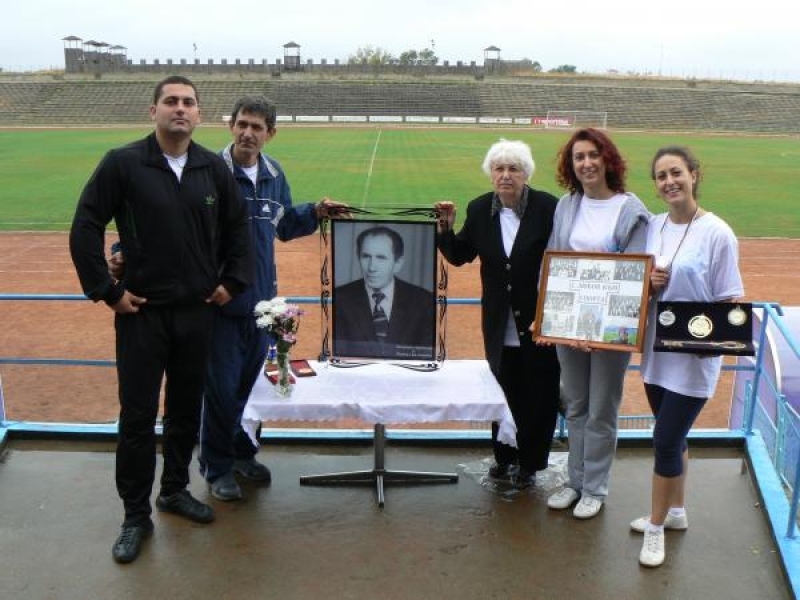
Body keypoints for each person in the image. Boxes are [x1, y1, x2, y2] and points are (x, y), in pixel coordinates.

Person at [109, 95, 347, 504]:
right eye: (242, 124)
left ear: (270, 134)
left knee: (248, 387)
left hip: (262, 306)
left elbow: (284, 225)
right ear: (230, 126)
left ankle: (241, 453)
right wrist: (121, 251)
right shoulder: (208, 170)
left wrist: (317, 212)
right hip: (217, 303)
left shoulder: (274, 174)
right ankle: (216, 467)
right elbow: (170, 222)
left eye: (257, 127)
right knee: (218, 391)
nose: (248, 133)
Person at [69, 75, 254, 564]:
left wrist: (232, 282)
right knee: (136, 417)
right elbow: (86, 224)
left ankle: (173, 490)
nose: (180, 109)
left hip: (196, 314)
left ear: (198, 115)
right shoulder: (124, 163)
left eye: (188, 102)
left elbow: (238, 228)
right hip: (142, 314)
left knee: (184, 411)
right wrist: (107, 291)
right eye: (170, 101)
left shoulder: (212, 168)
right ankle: (134, 515)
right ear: (152, 111)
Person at [632, 146, 744, 567]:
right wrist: (650, 284)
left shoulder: (717, 232)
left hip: (694, 356)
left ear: (694, 175)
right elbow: (637, 283)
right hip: (656, 353)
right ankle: (676, 512)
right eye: (661, 176)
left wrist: (702, 337)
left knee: (662, 441)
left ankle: (656, 527)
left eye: (676, 172)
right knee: (673, 437)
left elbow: (730, 299)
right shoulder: (654, 227)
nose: (669, 182)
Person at [435, 138, 561, 489]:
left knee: (539, 393)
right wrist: (445, 228)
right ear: (491, 174)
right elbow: (460, 255)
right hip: (498, 322)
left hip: (540, 322)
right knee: (504, 391)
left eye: (514, 169)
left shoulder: (547, 208)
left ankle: (531, 464)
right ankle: (505, 457)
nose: (506, 175)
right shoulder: (479, 210)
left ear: (526, 174)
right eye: (499, 168)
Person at [543, 128, 650, 519]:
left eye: (592, 155)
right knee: (575, 405)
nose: (586, 163)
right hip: (569, 326)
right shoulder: (567, 205)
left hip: (611, 329)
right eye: (578, 157)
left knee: (602, 409)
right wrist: (554, 321)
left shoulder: (631, 209)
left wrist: (598, 328)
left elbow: (635, 277)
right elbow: (553, 260)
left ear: (607, 159)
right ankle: (574, 482)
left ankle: (595, 488)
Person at [333, 225, 435, 359]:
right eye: (366, 256)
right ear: (358, 258)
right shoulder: (340, 298)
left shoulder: (424, 301)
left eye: (381, 258)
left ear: (398, 263)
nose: (372, 267)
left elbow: (424, 354)